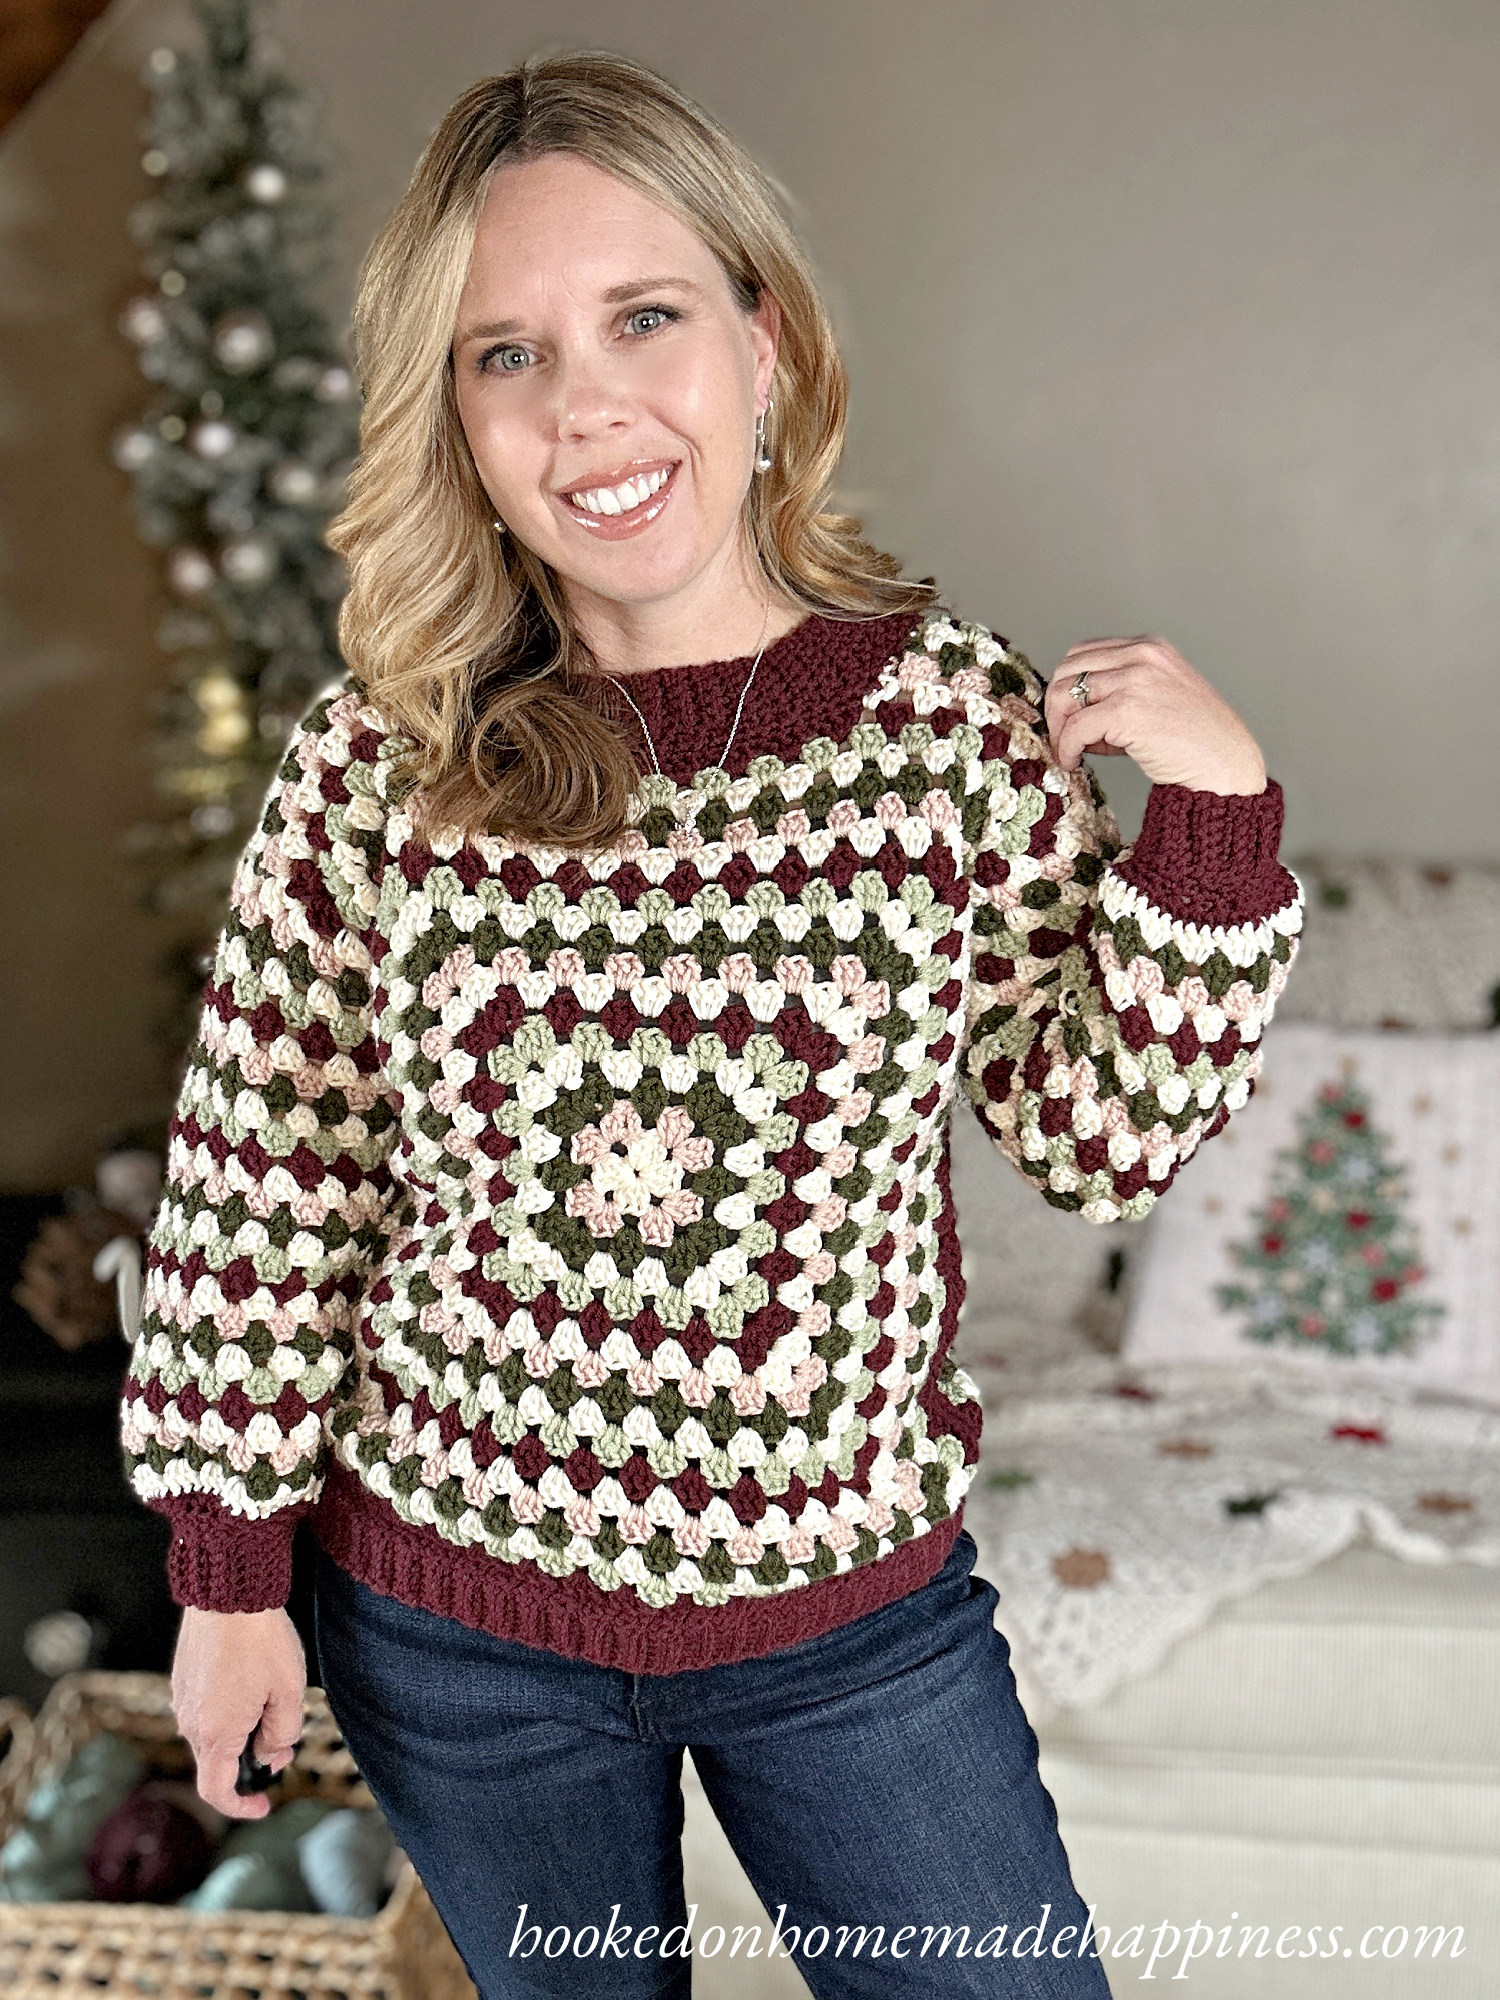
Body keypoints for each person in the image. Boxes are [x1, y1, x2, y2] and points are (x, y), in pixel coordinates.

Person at [120, 49, 1302, 2000]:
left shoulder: (951, 729)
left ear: (764, 346)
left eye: (644, 317)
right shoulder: (379, 765)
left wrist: (1218, 821)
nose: (584, 402)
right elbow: (269, 1178)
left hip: (851, 1622)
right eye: (505, 354)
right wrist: (229, 1574)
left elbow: (1103, 1141)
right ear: (457, 424)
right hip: (452, 1627)